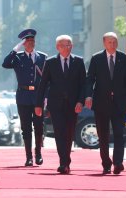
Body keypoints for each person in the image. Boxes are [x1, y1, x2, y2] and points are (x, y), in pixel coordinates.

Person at [35, 35, 86, 174]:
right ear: (58, 47)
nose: (67, 47)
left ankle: (66, 160)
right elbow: (43, 84)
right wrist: (38, 104)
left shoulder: (78, 61)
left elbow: (84, 84)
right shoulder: (51, 62)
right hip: (55, 104)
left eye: (69, 44)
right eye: (63, 45)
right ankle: (64, 162)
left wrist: (81, 101)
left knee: (69, 133)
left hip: (73, 104)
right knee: (59, 132)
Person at [85, 32, 126, 175]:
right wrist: (88, 96)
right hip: (101, 103)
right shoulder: (96, 58)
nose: (112, 45)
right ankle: (106, 163)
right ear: (104, 43)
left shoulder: (124, 59)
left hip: (120, 103)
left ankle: (118, 163)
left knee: (119, 133)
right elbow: (90, 79)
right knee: (103, 135)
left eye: (115, 42)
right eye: (110, 42)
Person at [2, 29, 47, 166]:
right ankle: (29, 157)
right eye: (27, 41)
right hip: (23, 96)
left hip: (38, 95)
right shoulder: (18, 57)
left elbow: (48, 79)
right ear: (23, 43)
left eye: (33, 41)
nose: (31, 43)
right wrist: (15, 49)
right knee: (26, 128)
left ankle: (38, 154)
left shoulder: (42, 57)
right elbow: (5, 64)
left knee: (39, 127)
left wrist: (46, 97)